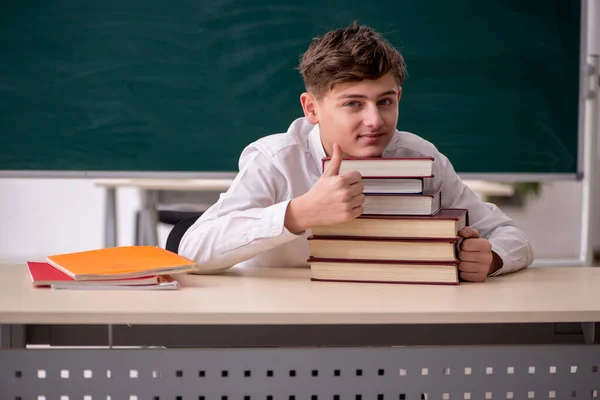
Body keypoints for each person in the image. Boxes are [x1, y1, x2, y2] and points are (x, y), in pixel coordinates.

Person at [179, 23, 534, 281]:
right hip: (282, 332)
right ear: (312, 109)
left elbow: (511, 235)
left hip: (383, 326)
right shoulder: (276, 159)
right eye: (353, 103)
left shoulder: (420, 157)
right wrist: (297, 213)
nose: (374, 120)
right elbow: (192, 249)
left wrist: (493, 258)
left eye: (385, 101)